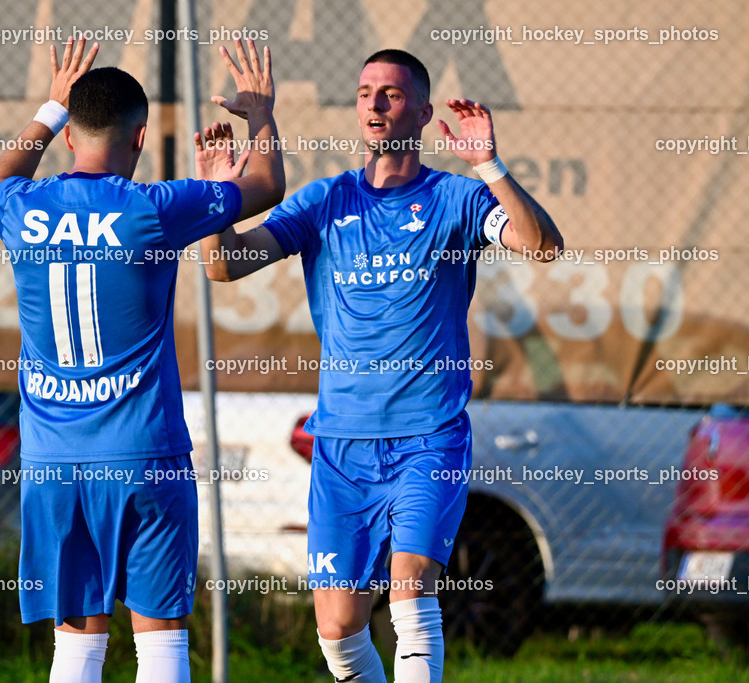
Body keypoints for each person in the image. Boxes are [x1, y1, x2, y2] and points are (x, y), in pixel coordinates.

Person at [196, 49, 562, 682]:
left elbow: (544, 246)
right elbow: (225, 264)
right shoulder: (324, 201)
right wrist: (216, 197)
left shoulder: (456, 200)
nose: (374, 104)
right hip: (342, 445)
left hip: (429, 438)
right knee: (338, 629)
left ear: (421, 113)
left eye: (390, 94)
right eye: (365, 92)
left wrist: (490, 165)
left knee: (410, 590)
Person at [0, 37, 283, 683]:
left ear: (69, 137)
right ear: (141, 137)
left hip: (55, 462)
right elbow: (265, 185)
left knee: (77, 646)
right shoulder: (150, 208)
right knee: (161, 644)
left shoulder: (22, 209)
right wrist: (259, 113)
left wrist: (51, 105)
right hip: (144, 454)